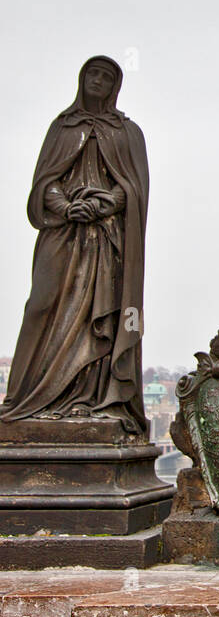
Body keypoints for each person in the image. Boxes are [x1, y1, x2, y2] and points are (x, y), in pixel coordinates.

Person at [1, 56, 149, 434]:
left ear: (115, 86)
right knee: (41, 306)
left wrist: (104, 204)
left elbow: (134, 188)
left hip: (108, 240)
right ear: (81, 79)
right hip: (63, 233)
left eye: (106, 76)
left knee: (101, 317)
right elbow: (45, 180)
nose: (97, 81)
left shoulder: (128, 132)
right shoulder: (63, 127)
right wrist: (65, 206)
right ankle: (25, 398)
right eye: (92, 74)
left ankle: (93, 398)